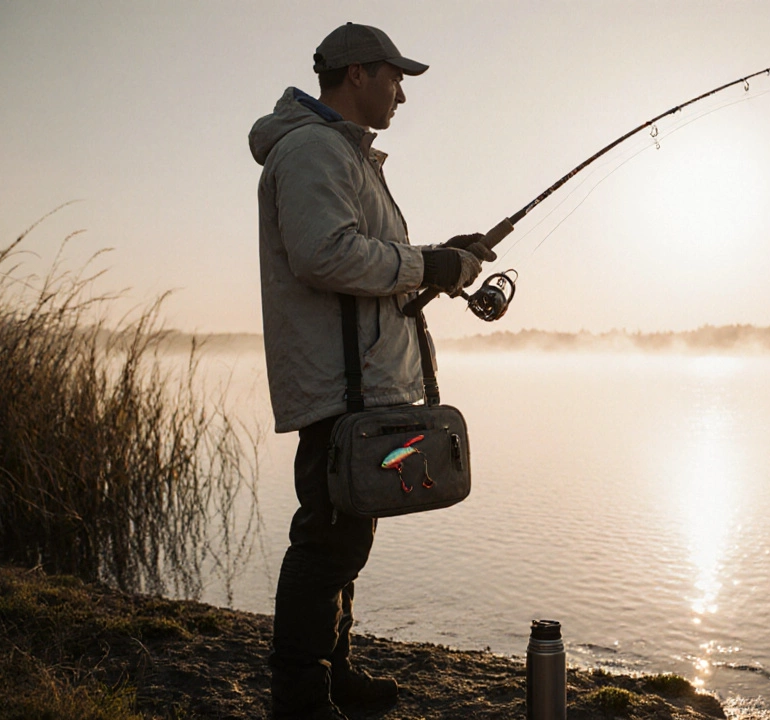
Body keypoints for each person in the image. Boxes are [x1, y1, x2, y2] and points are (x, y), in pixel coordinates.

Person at [248, 22, 493, 720]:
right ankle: (298, 696)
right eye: (395, 78)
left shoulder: (345, 156)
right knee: (327, 541)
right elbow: (325, 255)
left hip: (361, 386)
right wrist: (427, 265)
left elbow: (370, 259)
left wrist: (444, 258)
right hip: (337, 389)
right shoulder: (314, 151)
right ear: (357, 74)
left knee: (349, 535)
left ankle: (334, 672)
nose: (402, 95)